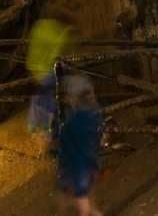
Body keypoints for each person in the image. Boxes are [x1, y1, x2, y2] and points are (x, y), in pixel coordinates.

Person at [57, 74, 104, 216]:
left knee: (81, 191)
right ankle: (88, 210)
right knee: (83, 190)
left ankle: (87, 209)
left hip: (79, 160)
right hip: (83, 158)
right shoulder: (90, 115)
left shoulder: (74, 119)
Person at [26, 12, 73, 142]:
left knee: (41, 99)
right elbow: (58, 53)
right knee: (53, 101)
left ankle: (38, 131)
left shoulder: (39, 26)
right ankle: (50, 135)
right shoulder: (62, 31)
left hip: (36, 68)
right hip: (51, 71)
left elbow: (33, 49)